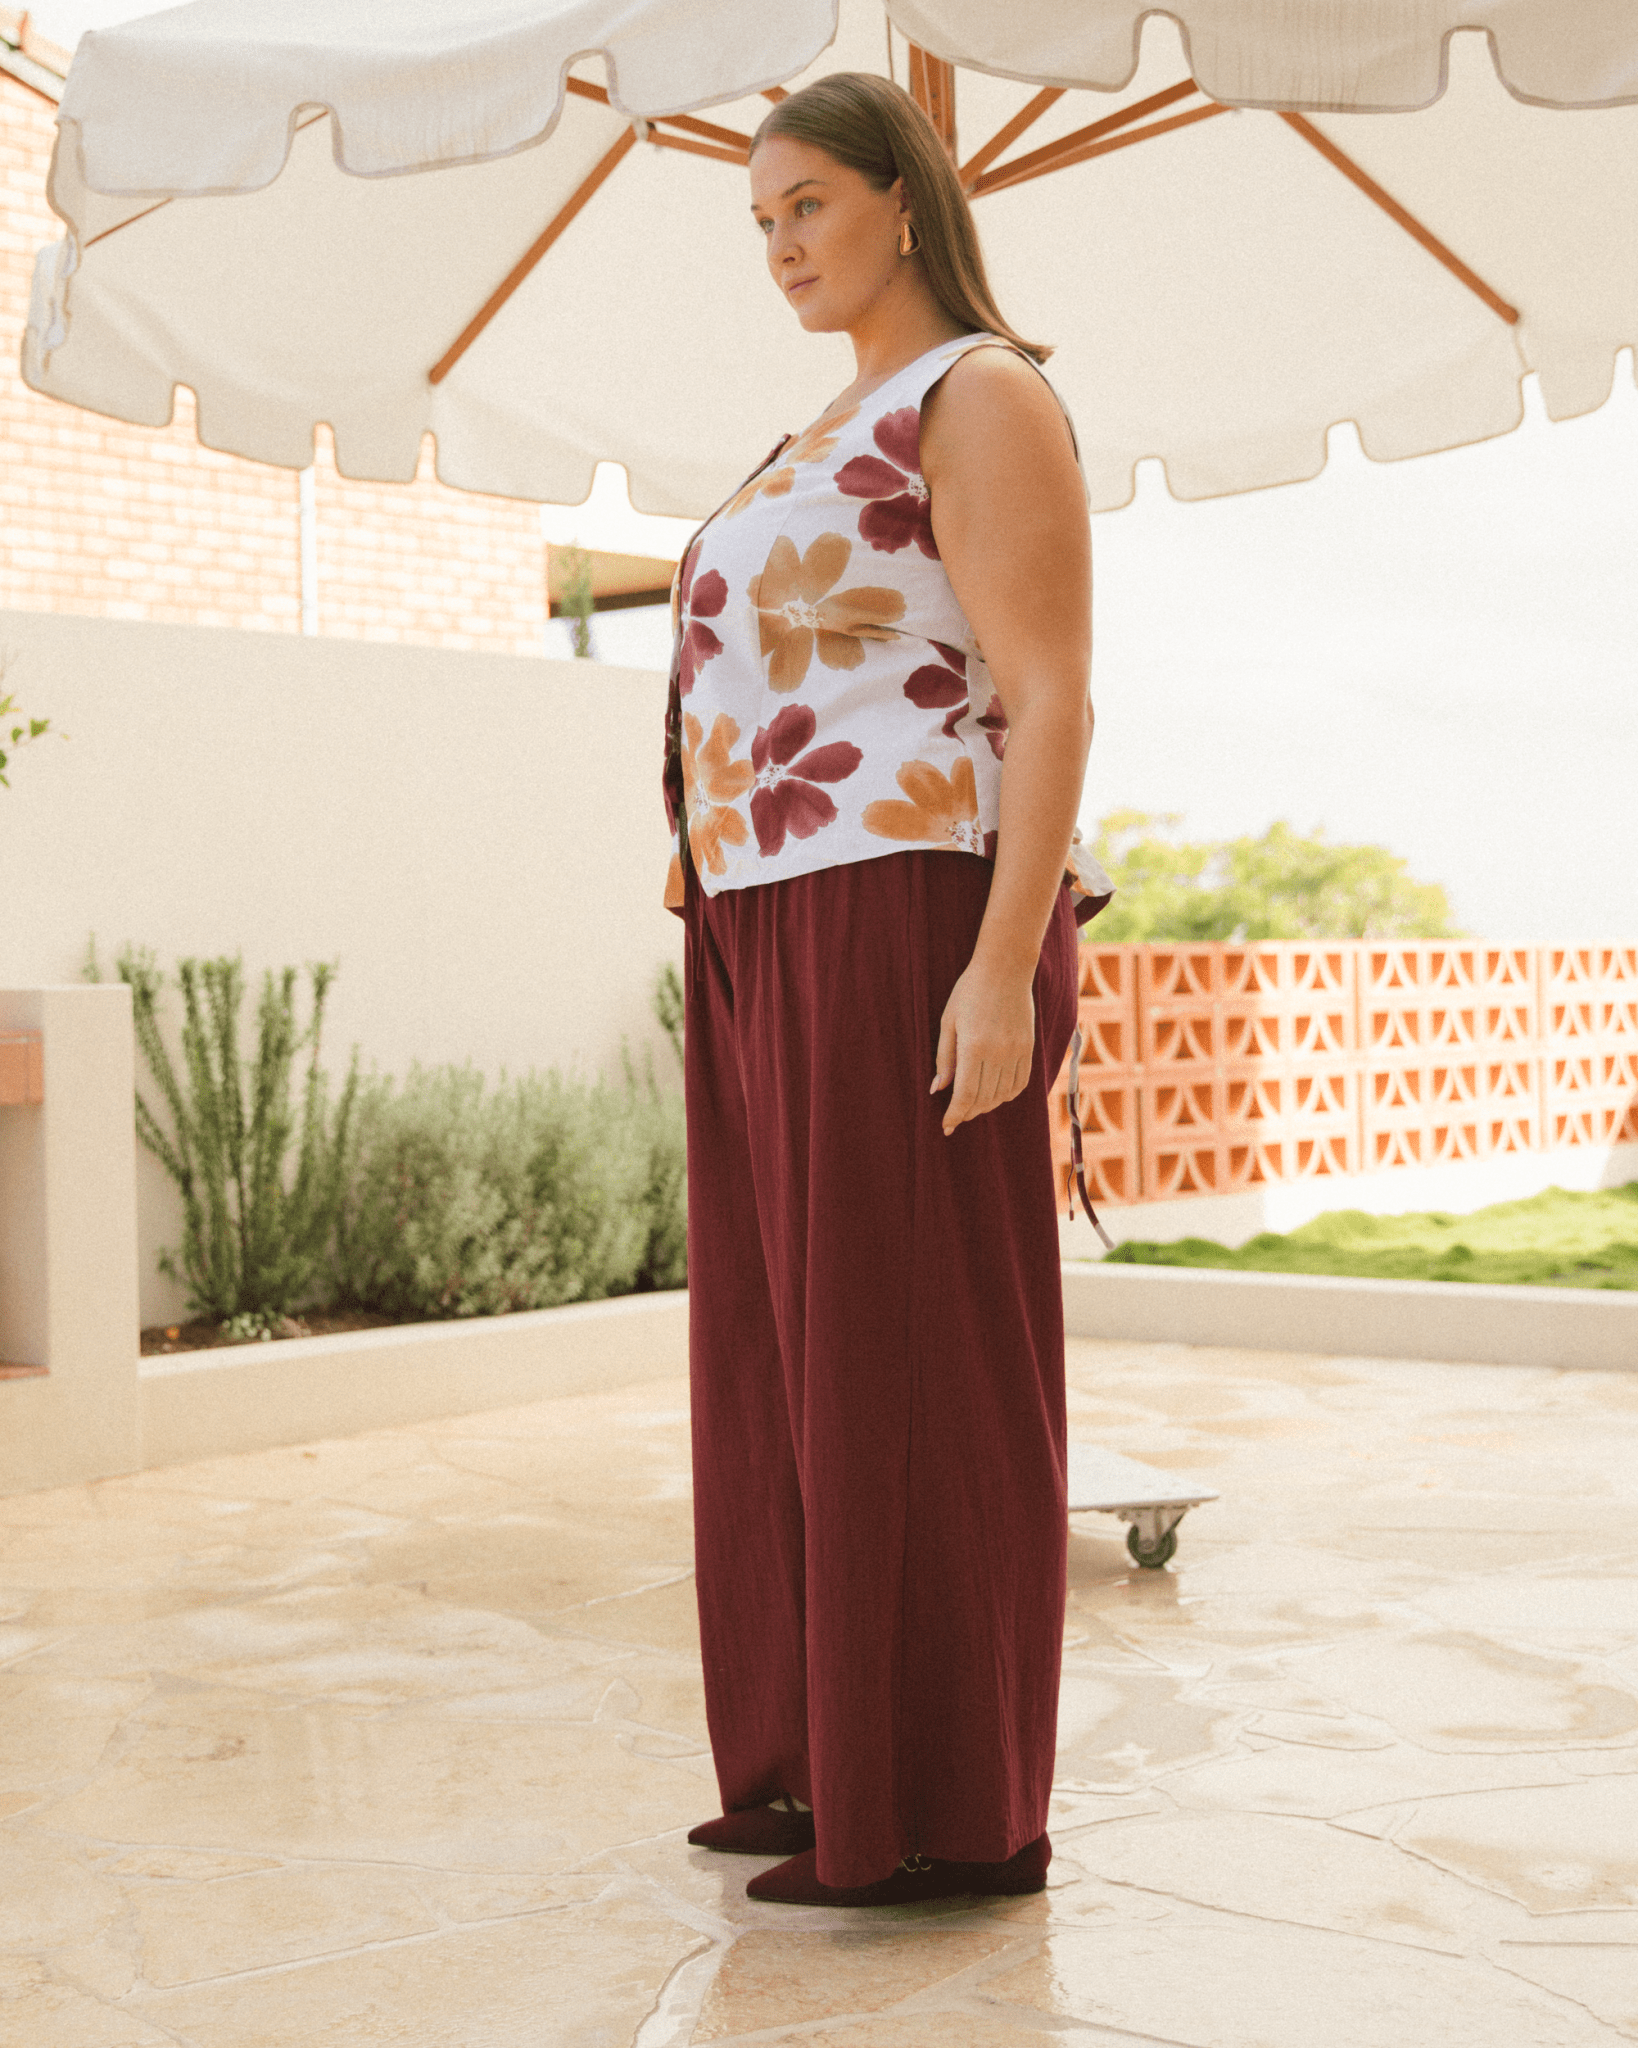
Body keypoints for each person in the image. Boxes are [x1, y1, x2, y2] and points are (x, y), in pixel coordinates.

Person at [662, 70, 1109, 1909]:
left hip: (904, 907)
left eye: (809, 206)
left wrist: (999, 969)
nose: (778, 245)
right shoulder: (815, 426)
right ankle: (809, 1762)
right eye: (759, 219)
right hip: (761, 918)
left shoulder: (978, 394)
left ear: (903, 201)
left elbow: (1050, 693)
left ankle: (938, 1808)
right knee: (776, 1358)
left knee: (907, 1355)